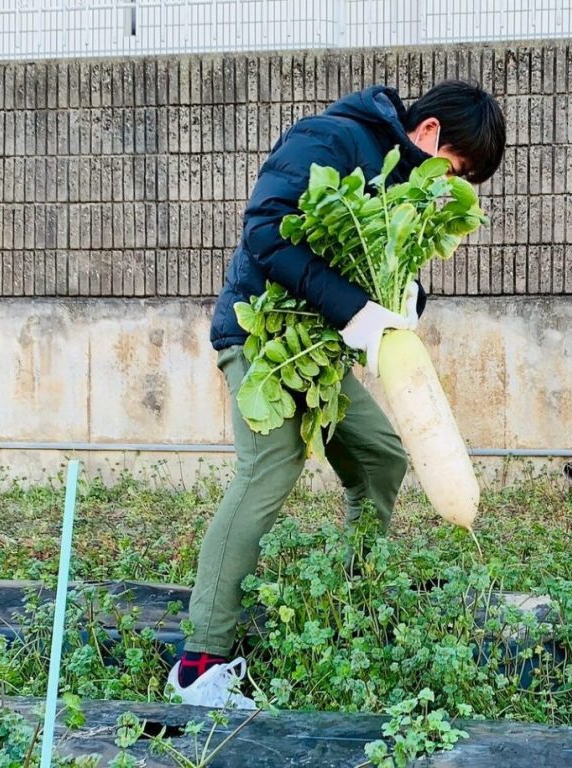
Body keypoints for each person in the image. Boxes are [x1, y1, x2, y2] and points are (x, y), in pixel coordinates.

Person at [166, 80, 506, 708]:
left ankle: (350, 598)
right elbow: (266, 234)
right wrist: (355, 310)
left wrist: (407, 298)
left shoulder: (402, 184)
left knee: (381, 456)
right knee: (272, 463)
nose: (449, 187)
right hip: (262, 336)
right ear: (428, 133)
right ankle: (200, 662)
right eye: (455, 169)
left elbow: (380, 264)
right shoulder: (327, 139)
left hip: (317, 349)